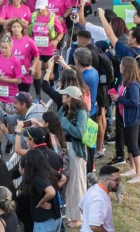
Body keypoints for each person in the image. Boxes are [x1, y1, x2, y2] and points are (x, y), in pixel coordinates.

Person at [56, 86, 88, 228]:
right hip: (65, 149)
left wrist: (66, 124)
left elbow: (80, 133)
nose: (62, 96)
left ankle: (79, 217)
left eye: (65, 95)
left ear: (70, 97)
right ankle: (70, 214)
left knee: (77, 183)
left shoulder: (82, 112)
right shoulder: (63, 109)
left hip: (76, 151)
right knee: (70, 184)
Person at [111, 57, 140, 184]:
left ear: (126, 67)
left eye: (121, 64)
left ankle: (139, 173)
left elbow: (134, 102)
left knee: (133, 145)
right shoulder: (126, 81)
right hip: (126, 118)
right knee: (129, 144)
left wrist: (118, 99)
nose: (119, 65)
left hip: (132, 118)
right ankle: (132, 168)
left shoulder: (133, 85)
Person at [79, 165, 119, 232]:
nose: (118, 183)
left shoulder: (94, 188)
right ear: (106, 180)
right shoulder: (99, 198)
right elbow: (95, 227)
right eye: (116, 180)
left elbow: (81, 206)